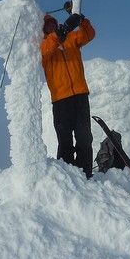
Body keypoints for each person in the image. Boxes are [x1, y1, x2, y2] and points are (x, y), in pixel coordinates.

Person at [41, 11, 96, 179]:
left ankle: (85, 174)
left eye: (53, 23)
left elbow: (89, 35)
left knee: (84, 138)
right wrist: (61, 31)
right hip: (60, 100)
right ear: (43, 30)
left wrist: (81, 20)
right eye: (47, 25)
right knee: (65, 141)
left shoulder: (71, 38)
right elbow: (47, 49)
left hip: (80, 95)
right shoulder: (44, 45)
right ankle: (67, 177)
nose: (51, 26)